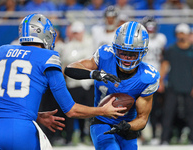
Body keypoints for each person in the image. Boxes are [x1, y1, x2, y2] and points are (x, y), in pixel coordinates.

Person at [0, 13, 127, 150]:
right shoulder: (47, 57)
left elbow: (6, 102)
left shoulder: (1, 52)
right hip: (21, 132)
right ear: (43, 34)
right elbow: (71, 110)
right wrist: (103, 111)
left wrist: (35, 115)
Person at [64, 21, 160, 150]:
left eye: (132, 54)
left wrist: (128, 126)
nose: (127, 58)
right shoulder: (105, 55)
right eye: (123, 52)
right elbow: (70, 68)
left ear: (142, 52)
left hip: (126, 126)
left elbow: (142, 119)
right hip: (102, 121)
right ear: (115, 49)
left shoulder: (147, 77)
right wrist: (95, 74)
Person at [159, 23, 193, 145]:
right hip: (173, 85)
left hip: (189, 86)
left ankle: (192, 139)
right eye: (179, 33)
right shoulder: (172, 50)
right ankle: (164, 139)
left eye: (183, 33)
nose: (181, 35)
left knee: (191, 114)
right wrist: (161, 81)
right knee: (168, 113)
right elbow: (165, 65)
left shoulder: (192, 50)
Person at [141, 16, 167, 145]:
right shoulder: (139, 39)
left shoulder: (161, 39)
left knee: (156, 107)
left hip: (155, 77)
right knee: (139, 107)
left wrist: (161, 79)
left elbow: (163, 59)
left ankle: (156, 134)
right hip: (141, 77)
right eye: (148, 27)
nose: (150, 30)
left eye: (152, 27)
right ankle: (141, 135)